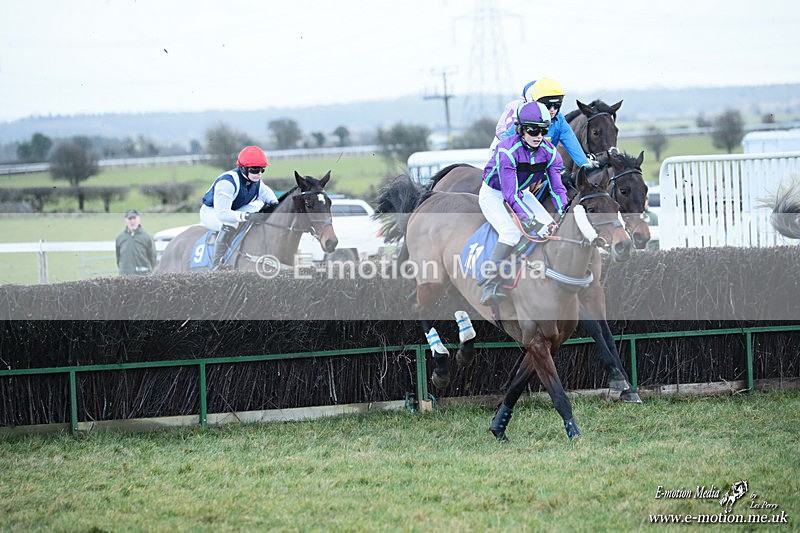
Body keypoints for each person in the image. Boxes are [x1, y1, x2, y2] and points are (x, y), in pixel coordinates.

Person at [479, 101, 568, 306]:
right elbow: (509, 196)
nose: (538, 136)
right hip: (494, 193)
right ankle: (490, 281)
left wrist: (565, 210)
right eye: (532, 130)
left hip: (522, 192)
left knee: (551, 228)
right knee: (511, 232)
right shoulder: (507, 150)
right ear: (520, 129)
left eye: (543, 130)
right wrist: (530, 223)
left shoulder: (551, 153)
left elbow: (557, 189)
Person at [200, 145, 279, 269]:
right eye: (254, 170)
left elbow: (275, 203)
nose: (258, 174)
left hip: (234, 210)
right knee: (230, 223)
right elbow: (223, 214)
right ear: (243, 169)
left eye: (262, 170)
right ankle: (216, 265)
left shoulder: (258, 183)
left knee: (261, 210)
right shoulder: (227, 182)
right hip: (213, 212)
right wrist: (247, 216)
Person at [491, 78, 594, 169]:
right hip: (517, 167)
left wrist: (586, 166)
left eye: (557, 105)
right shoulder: (524, 118)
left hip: (541, 166)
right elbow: (504, 145)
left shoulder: (560, 121)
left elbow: (573, 145)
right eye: (548, 106)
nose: (552, 110)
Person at [115, 209, 157, 276]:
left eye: (134, 218)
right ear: (125, 221)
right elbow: (118, 258)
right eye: (130, 219)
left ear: (139, 220)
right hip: (124, 278)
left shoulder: (147, 237)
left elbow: (153, 258)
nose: (132, 221)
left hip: (143, 277)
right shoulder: (120, 238)